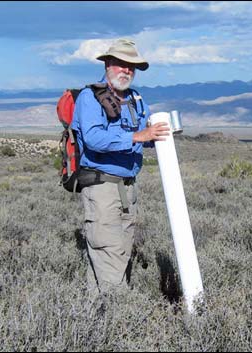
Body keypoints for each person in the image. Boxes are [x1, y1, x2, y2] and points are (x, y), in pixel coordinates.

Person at [71, 38, 170, 295]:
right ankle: (121, 322)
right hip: (103, 187)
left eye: (131, 66)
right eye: (121, 64)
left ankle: (95, 320)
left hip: (128, 189)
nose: (126, 70)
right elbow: (93, 139)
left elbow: (141, 139)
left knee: (119, 255)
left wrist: (158, 136)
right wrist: (138, 136)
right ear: (107, 64)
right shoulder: (89, 98)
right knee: (109, 254)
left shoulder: (137, 100)